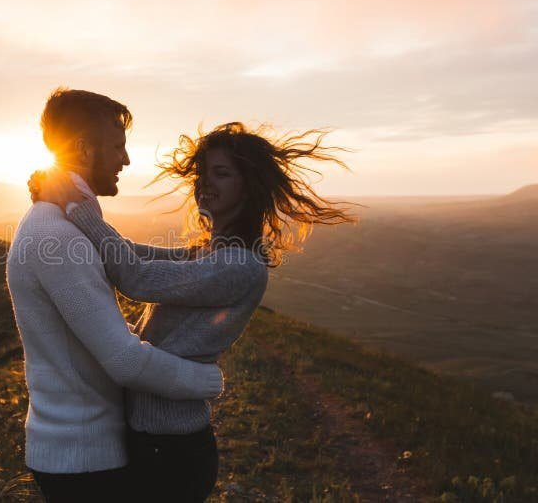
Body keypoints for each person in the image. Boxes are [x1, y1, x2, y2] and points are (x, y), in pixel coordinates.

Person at [31, 121, 356, 501]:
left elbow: (135, 276)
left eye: (221, 173)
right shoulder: (211, 253)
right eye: (203, 173)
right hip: (154, 443)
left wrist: (75, 204)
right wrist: (73, 210)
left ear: (248, 186)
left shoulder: (239, 266)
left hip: (171, 453)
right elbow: (136, 254)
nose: (205, 182)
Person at [5, 88, 225, 503]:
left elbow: (120, 253)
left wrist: (193, 256)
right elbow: (123, 359)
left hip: (80, 452)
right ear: (84, 149)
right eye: (118, 147)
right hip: (83, 462)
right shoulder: (56, 234)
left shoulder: (62, 223)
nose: (125, 159)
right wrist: (208, 381)